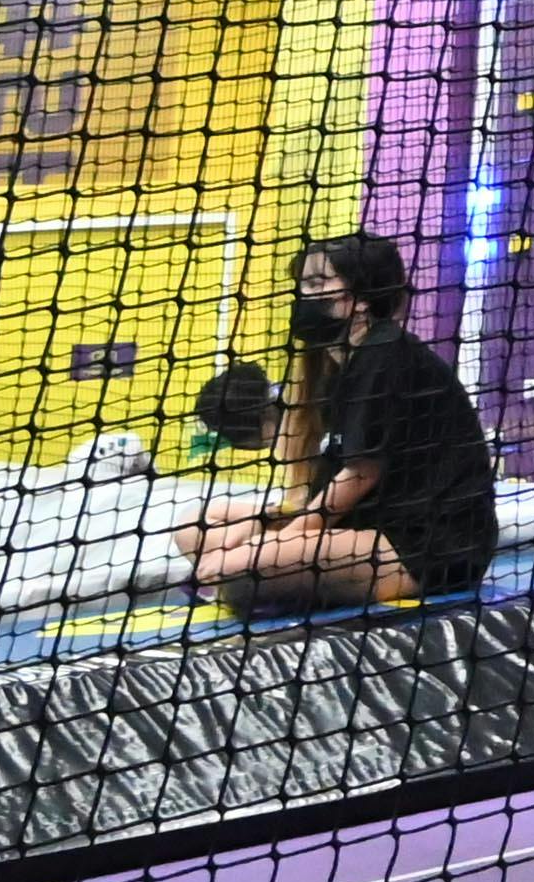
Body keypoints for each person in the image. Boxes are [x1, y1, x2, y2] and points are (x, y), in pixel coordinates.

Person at [179, 233, 499, 615]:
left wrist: (265, 544)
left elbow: (359, 474)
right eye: (302, 284)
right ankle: (268, 575)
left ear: (361, 299)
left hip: (424, 547)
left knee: (239, 566)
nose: (303, 295)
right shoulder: (334, 370)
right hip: (362, 528)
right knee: (192, 527)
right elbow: (318, 483)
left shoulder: (385, 353)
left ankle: (255, 579)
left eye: (316, 284)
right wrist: (259, 524)